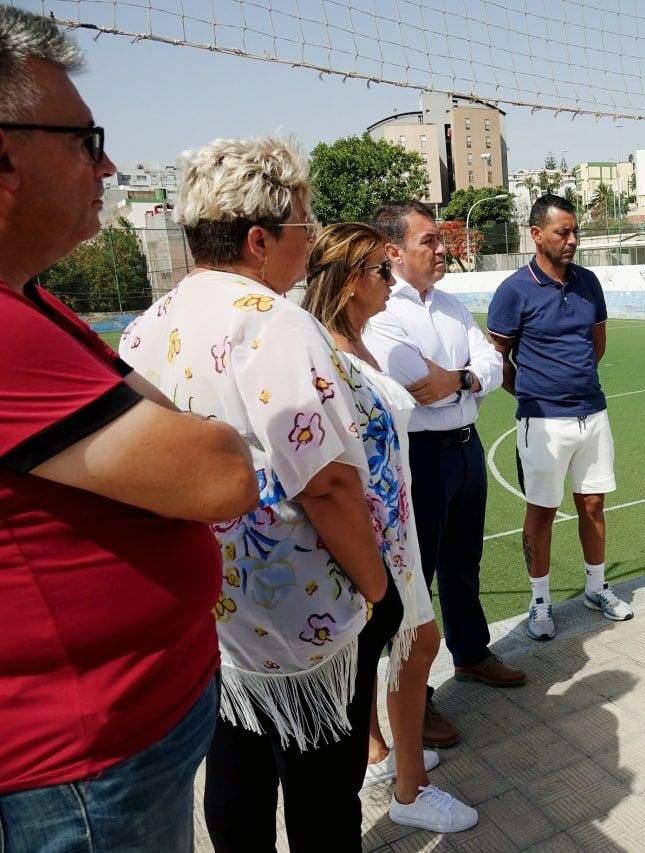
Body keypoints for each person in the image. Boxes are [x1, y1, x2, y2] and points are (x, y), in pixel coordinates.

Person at [0, 10, 257, 849]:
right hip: (84, 767)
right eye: (84, 139)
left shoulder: (29, 301)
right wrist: (199, 440)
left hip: (122, 733)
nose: (106, 163)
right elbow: (221, 471)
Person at [122, 134, 399, 851]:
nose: (309, 244)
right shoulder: (274, 323)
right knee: (321, 798)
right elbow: (329, 484)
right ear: (258, 237)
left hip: (213, 611)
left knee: (236, 777)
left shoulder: (148, 326)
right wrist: (379, 589)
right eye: (303, 227)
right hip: (303, 620)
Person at [303, 222, 478, 833]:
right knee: (413, 642)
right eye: (381, 270)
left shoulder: (351, 337)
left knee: (398, 643)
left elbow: (475, 368)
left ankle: (388, 758)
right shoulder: (328, 346)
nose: (390, 279)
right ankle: (410, 788)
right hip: (373, 524)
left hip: (389, 513)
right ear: (353, 281)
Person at [364, 202, 526, 738]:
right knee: (417, 576)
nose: (442, 249)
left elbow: (493, 366)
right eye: (428, 241)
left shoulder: (454, 306)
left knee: (464, 560)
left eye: (440, 240)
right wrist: (467, 379)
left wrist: (458, 381)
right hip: (419, 457)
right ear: (393, 252)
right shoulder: (382, 314)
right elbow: (413, 383)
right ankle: (416, 698)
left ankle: (471, 654)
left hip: (464, 446)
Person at [489, 193, 634, 640]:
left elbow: (597, 343)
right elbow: (498, 358)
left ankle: (596, 588)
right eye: (562, 232)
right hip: (542, 421)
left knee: (592, 504)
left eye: (575, 232)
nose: (572, 240)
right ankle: (539, 601)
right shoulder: (513, 290)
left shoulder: (589, 282)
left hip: (592, 413)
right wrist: (536, 390)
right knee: (542, 511)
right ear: (536, 235)